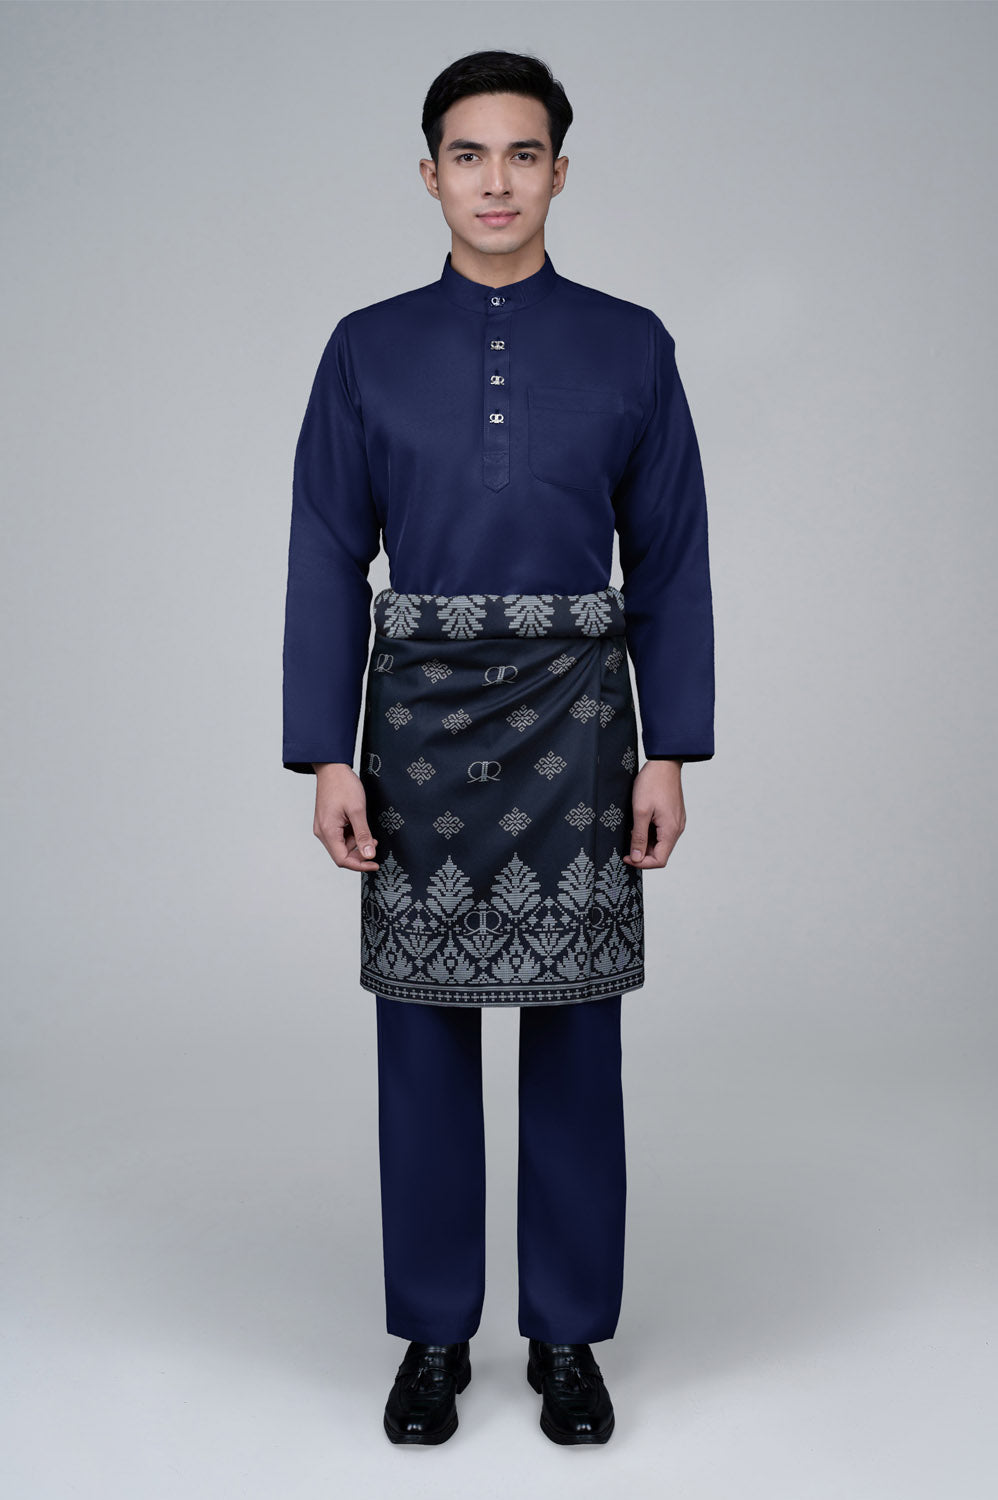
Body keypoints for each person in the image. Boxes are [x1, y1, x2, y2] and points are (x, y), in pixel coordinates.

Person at [281, 49, 715, 1446]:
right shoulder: (365, 348)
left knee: (578, 1036)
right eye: (467, 155)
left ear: (559, 173)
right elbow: (326, 551)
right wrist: (327, 752)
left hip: (580, 717)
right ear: (429, 175)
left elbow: (670, 556)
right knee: (420, 1038)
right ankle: (431, 1335)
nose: (495, 181)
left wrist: (669, 748)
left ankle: (567, 1337)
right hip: (415, 720)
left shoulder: (632, 344)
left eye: (522, 154)